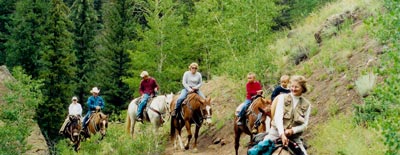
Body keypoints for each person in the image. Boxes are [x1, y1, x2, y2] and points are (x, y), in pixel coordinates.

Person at [255, 75, 311, 155]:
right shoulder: (282, 98)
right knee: (259, 151)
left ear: (303, 88)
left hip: (294, 138)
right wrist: (282, 134)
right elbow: (278, 117)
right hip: (275, 134)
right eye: (292, 86)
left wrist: (292, 131)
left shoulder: (307, 104)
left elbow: (305, 125)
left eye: (296, 87)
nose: (293, 89)